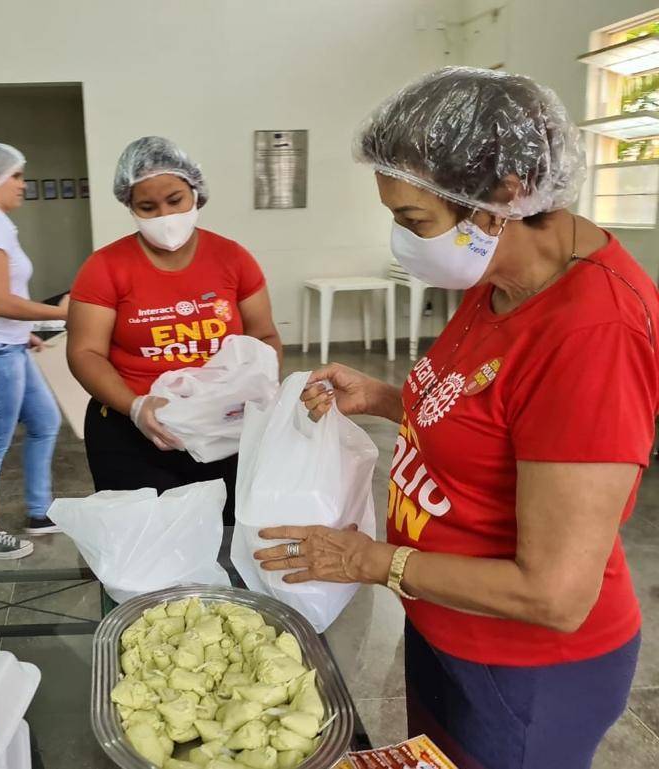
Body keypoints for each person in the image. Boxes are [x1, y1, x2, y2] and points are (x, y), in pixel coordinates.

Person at [253, 67, 658, 769]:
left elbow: (555, 593)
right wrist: (384, 399)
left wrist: (371, 560)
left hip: (526, 668)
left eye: (414, 220)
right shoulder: (497, 275)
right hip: (442, 623)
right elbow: (486, 413)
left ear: (500, 198)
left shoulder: (593, 334)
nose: (402, 241)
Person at [67, 136, 281, 523]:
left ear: (196, 194)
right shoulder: (105, 268)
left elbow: (264, 336)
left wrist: (256, 390)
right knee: (146, 543)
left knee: (227, 534)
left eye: (175, 200)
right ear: (129, 206)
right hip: (132, 429)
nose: (165, 216)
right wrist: (136, 407)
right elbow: (85, 353)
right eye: (147, 207)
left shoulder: (232, 258)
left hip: (223, 429)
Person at [0, 142, 67, 559]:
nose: (23, 184)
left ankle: (39, 512)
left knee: (45, 422)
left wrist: (27, 332)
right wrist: (59, 315)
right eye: (17, 175)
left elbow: (3, 300)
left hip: (11, 343)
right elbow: (1, 301)